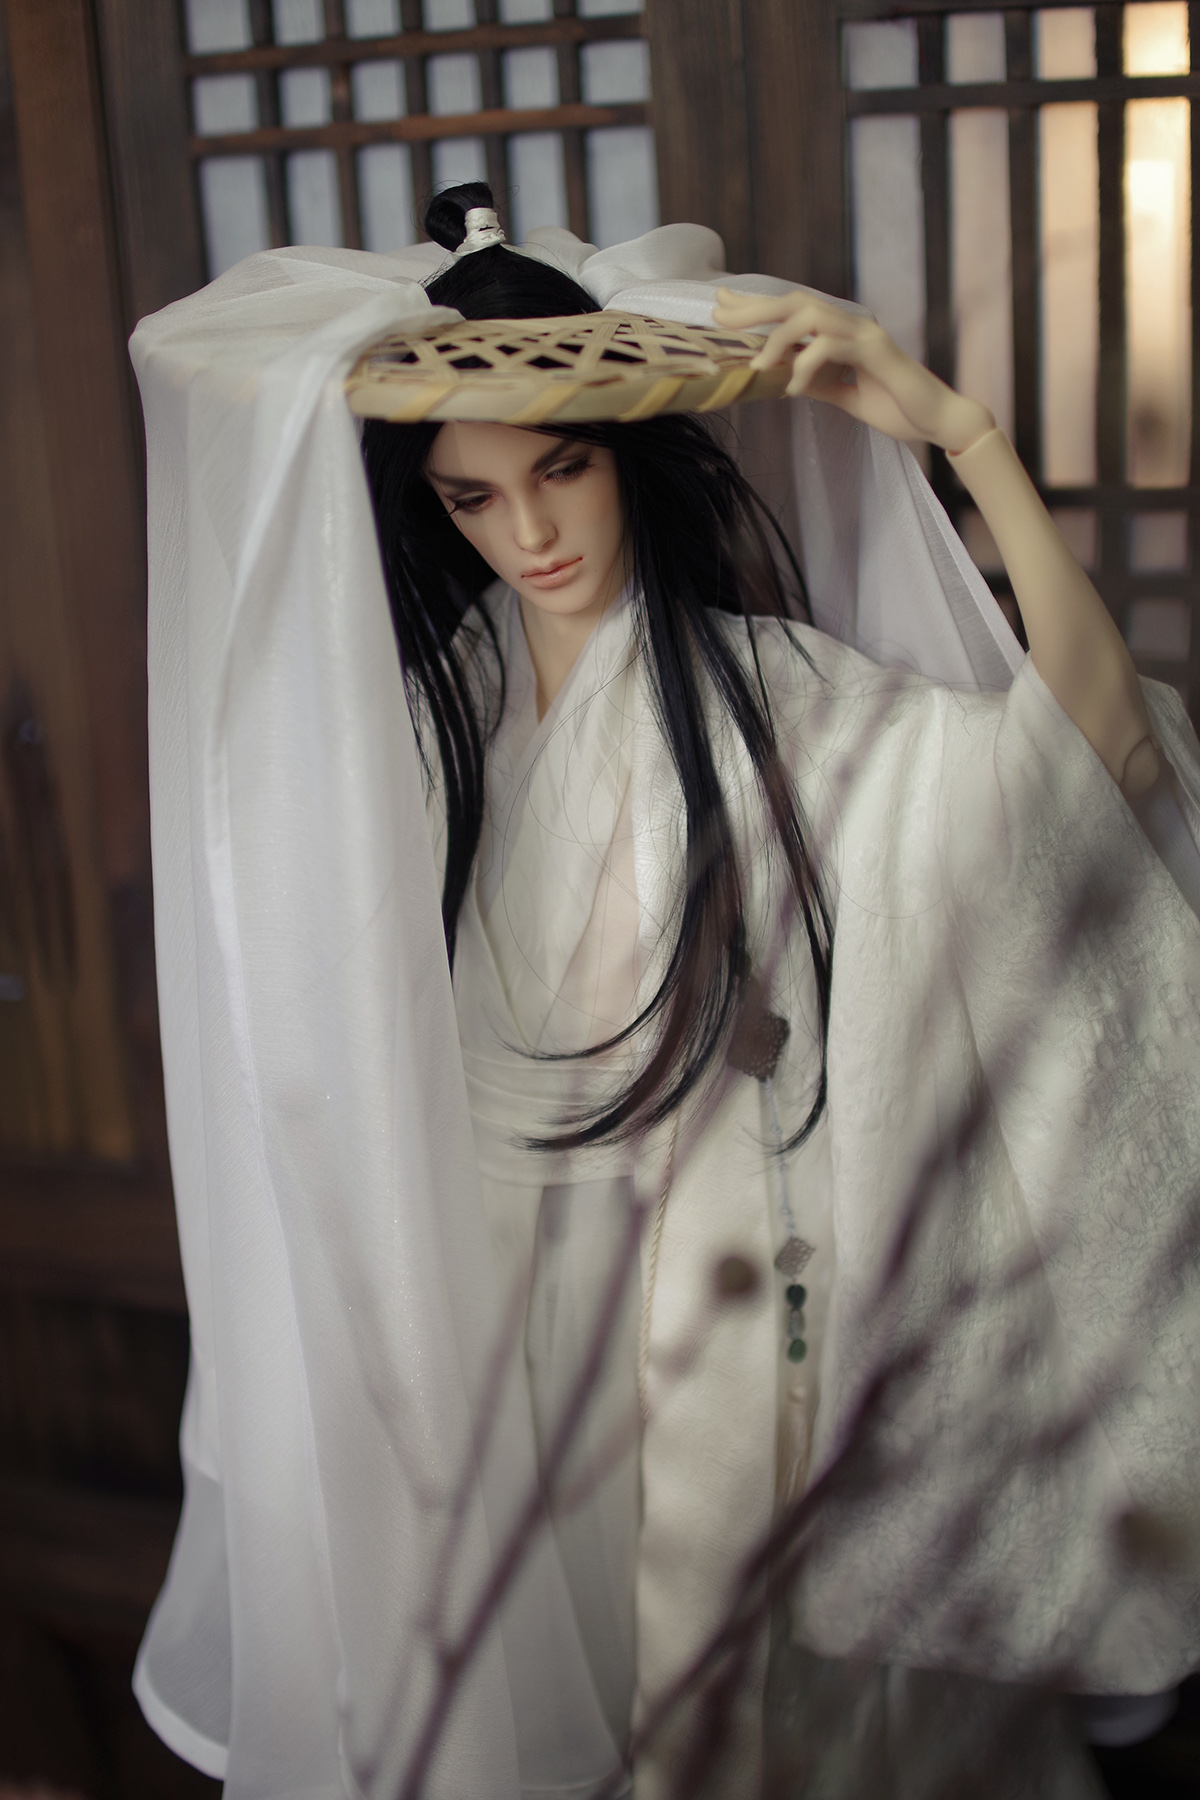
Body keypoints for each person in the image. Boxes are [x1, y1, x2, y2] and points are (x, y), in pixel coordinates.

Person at [129, 186, 1200, 1800]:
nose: (531, 532)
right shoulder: (426, 722)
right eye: (475, 496)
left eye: (562, 468)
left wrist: (965, 438)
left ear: (628, 456)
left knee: (718, 1710)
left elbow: (1086, 762)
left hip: (706, 1293)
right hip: (472, 1291)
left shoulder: (771, 699)